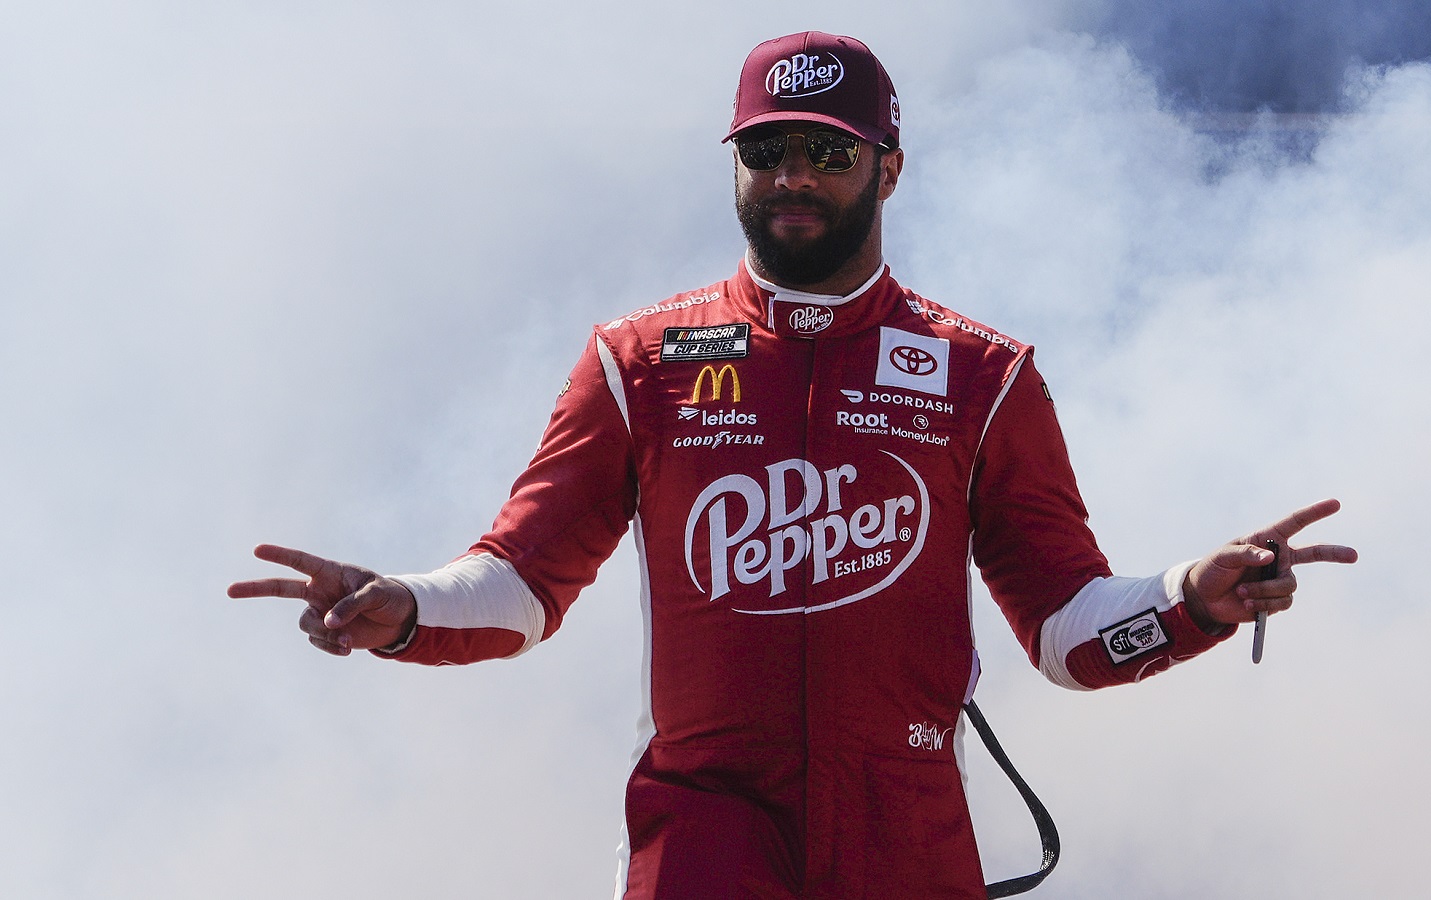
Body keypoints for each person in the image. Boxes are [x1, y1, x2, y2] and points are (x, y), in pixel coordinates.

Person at [229, 31, 1357, 900]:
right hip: (704, 838)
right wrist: (403, 610)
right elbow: (523, 583)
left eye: (827, 151)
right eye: (766, 151)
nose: (793, 176)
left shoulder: (983, 374)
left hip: (905, 834)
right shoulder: (639, 360)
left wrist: (1188, 602)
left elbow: (1065, 631)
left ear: (890, 167)